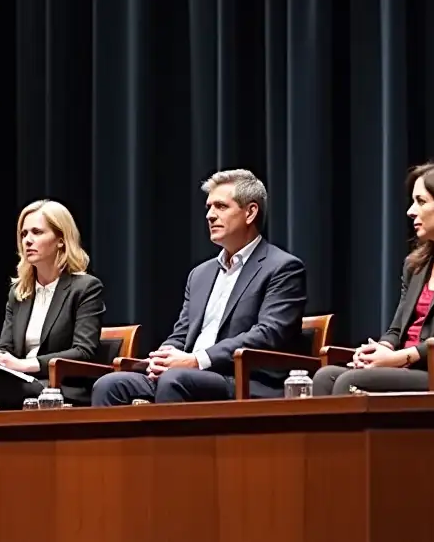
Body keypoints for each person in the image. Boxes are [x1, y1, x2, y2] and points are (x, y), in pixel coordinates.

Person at [92, 169, 307, 405]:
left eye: (221, 207)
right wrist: (163, 357)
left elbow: (268, 334)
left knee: (175, 380)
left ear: (250, 212)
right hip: (188, 372)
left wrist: (197, 360)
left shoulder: (282, 268)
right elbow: (182, 333)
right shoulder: (200, 274)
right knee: (110, 385)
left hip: (242, 378)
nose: (210, 216)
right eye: (209, 207)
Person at [312, 159, 434, 396]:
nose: (410, 211)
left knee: (350, 382)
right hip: (411, 368)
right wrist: (380, 350)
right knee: (325, 377)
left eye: (421, 202)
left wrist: (396, 359)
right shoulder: (416, 266)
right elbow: (397, 330)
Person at [0, 199, 105, 411]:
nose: (27, 241)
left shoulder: (85, 288)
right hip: (20, 383)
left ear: (61, 240)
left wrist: (24, 365)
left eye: (37, 232)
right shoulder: (20, 293)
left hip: (58, 387)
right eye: (24, 234)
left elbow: (84, 351)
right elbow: (6, 347)